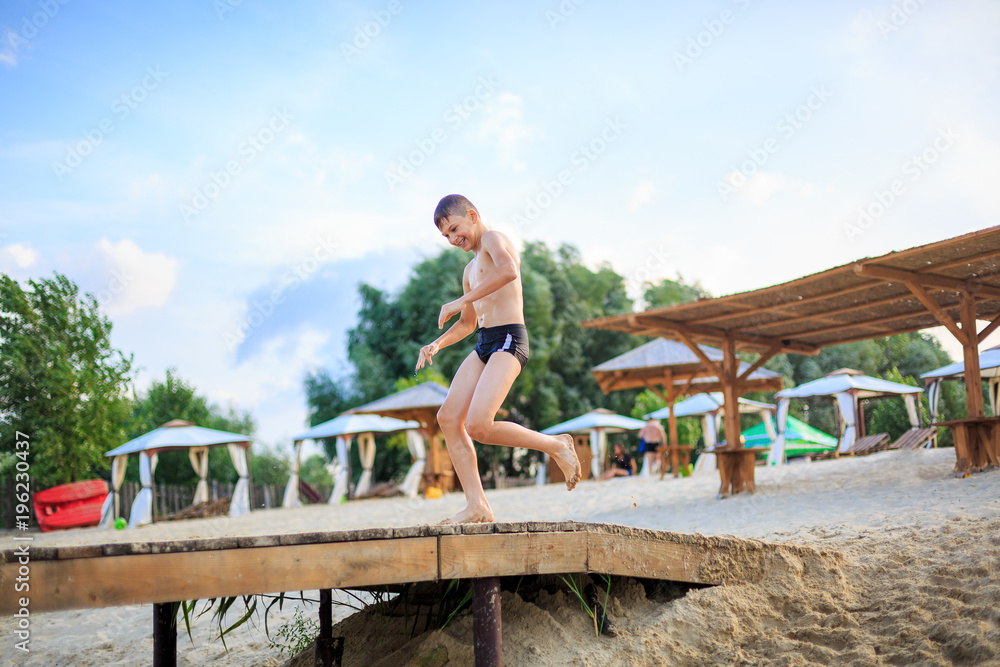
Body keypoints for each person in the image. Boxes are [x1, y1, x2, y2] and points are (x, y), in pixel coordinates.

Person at [415, 194, 582, 524]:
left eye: (454, 228)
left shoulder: (494, 239)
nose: (452, 239)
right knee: (448, 417)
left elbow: (508, 270)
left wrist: (459, 299)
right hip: (484, 342)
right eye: (445, 236)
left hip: (510, 338)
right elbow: (466, 323)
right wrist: (437, 344)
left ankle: (557, 445)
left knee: (479, 425)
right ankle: (477, 505)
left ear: (473, 216)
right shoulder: (468, 270)